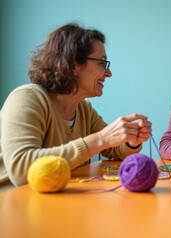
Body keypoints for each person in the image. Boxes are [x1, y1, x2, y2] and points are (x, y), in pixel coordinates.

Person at [0, 23, 152, 190]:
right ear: (73, 65)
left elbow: (115, 150)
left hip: (56, 202)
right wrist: (101, 139)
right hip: (13, 204)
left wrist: (131, 140)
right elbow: (21, 170)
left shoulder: (84, 109)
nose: (109, 73)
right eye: (102, 63)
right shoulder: (27, 98)